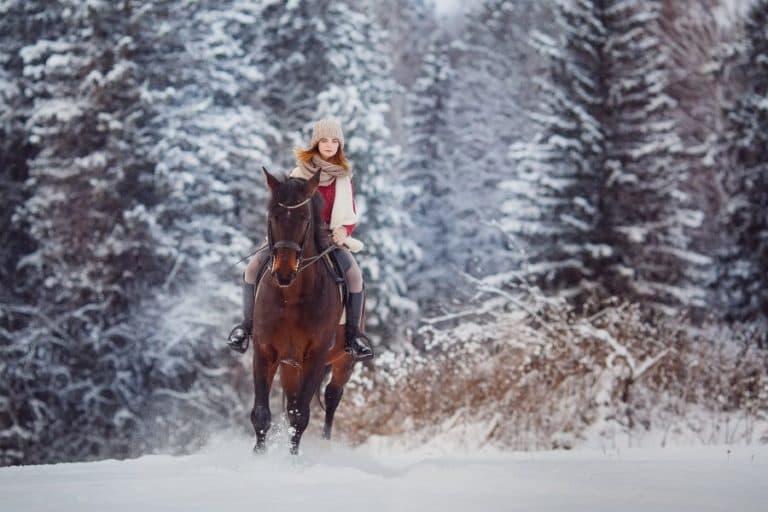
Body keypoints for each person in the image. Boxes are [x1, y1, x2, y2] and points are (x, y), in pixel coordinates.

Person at [227, 118, 374, 361]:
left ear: (340, 145)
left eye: (334, 141)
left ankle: (353, 335)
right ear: (316, 143)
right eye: (324, 140)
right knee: (253, 267)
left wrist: (343, 231)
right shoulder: (299, 173)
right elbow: (283, 210)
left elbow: (352, 214)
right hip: (294, 238)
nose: (329, 145)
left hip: (328, 239)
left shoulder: (343, 178)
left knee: (355, 276)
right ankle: (246, 326)